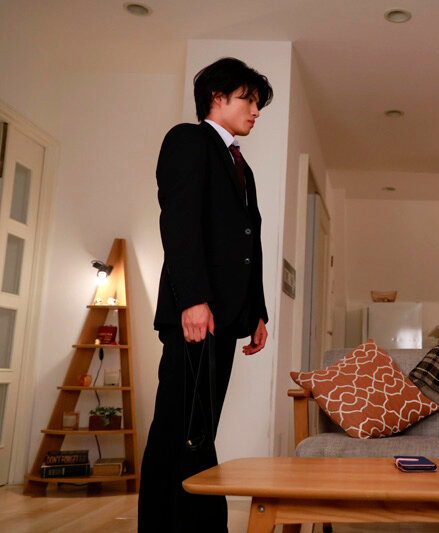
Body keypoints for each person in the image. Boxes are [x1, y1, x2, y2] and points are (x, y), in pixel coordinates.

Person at [138, 57, 273, 531]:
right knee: (176, 429)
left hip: (226, 318)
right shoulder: (188, 140)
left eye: (257, 103)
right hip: (195, 315)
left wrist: (257, 313)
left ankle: (197, 524)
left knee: (200, 431)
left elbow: (247, 242)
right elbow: (179, 225)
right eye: (248, 100)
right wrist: (192, 300)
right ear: (217, 97)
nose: (256, 111)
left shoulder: (241, 165)